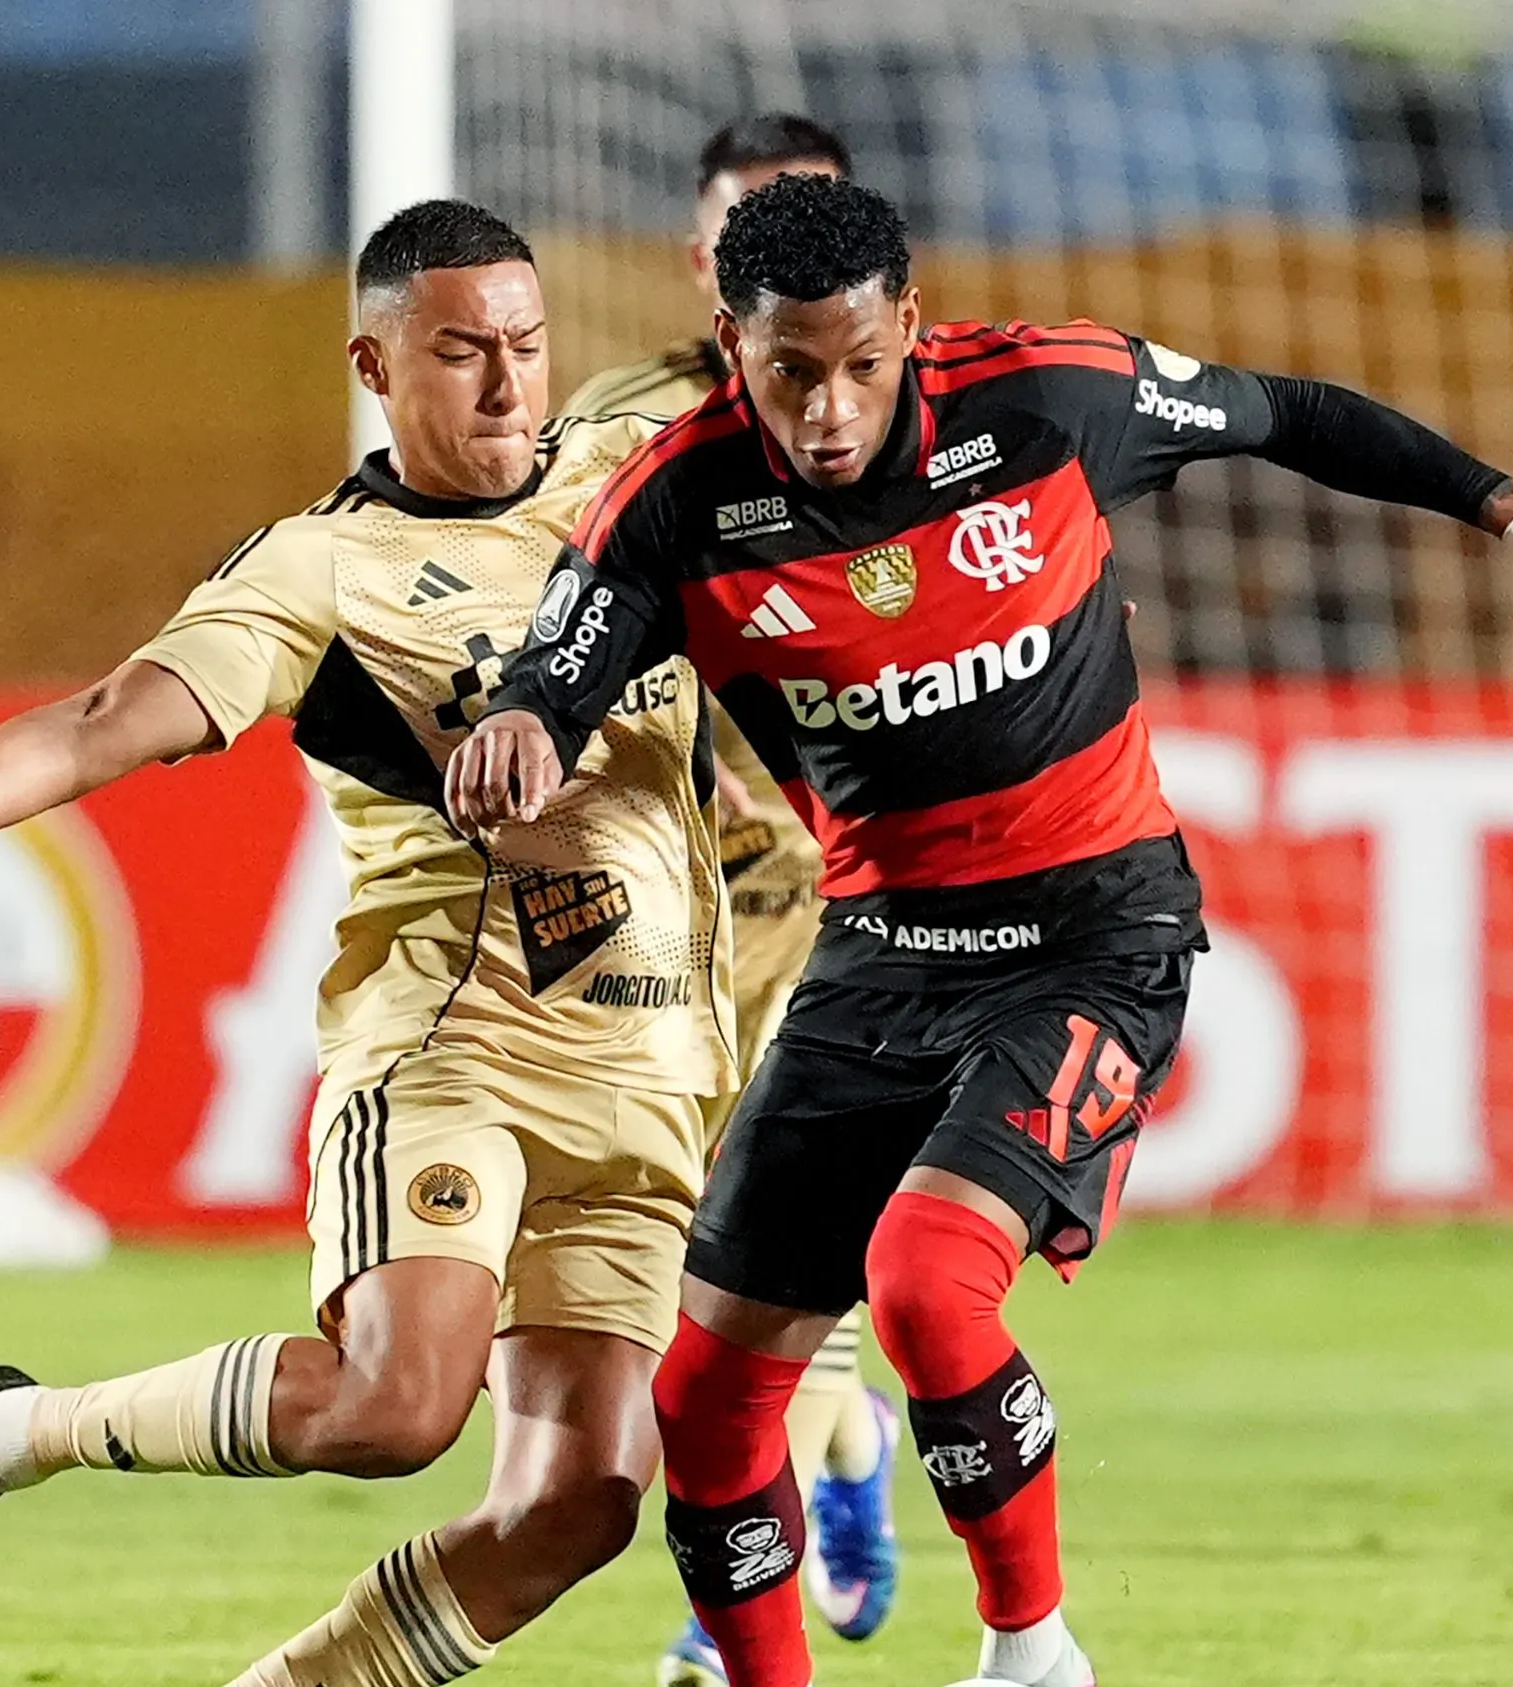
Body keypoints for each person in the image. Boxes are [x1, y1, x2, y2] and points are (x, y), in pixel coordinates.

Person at [448, 172, 1513, 1687]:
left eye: (858, 362)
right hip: (881, 948)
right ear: (731, 341)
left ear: (910, 322)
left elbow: (1286, 410)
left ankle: (1032, 1652)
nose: (829, 407)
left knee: (924, 1281)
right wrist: (518, 724)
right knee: (704, 1397)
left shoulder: (1050, 397)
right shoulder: (677, 502)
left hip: (1095, 930)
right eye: (789, 371)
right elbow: (557, 665)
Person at [0, 201, 736, 1687]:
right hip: (455, 1048)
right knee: (398, 1408)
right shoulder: (322, 570)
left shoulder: (620, 477)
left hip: (653, 1067)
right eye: (463, 356)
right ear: (377, 366)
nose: (511, 388)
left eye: (527, 347)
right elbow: (100, 722)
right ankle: (16, 1430)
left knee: (574, 1504)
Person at [562, 112, 900, 1685]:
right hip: (676, 908)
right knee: (708, 1264)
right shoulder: (627, 431)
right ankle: (845, 1454)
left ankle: (722, 1608)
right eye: (743, 230)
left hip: (864, 895)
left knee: (755, 1265)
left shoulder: (926, 418)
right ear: (704, 265)